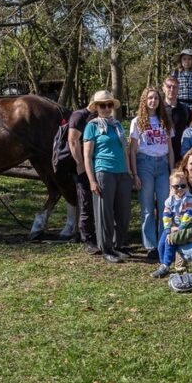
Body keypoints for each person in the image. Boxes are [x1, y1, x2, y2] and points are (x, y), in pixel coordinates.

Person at [82, 91, 132, 263]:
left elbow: (125, 151)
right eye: (102, 105)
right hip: (104, 171)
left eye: (109, 105)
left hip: (122, 172)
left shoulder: (117, 125)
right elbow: (87, 156)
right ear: (96, 107)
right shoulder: (92, 127)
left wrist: (129, 172)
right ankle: (106, 248)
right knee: (105, 213)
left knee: (123, 212)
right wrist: (92, 180)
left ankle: (118, 245)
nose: (106, 108)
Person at [129, 86, 175, 259]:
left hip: (163, 165)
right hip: (145, 164)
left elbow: (170, 149)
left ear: (159, 101)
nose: (153, 101)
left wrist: (172, 171)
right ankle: (150, 245)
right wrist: (135, 174)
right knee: (147, 207)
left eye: (156, 98)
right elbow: (132, 150)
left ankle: (164, 242)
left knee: (165, 206)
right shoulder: (137, 121)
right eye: (150, 98)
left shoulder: (165, 120)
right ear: (144, 100)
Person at [150, 172, 192, 279]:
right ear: (170, 187)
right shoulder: (170, 200)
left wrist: (179, 228)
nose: (179, 189)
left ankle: (166, 265)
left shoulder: (188, 199)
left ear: (186, 186)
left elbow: (189, 214)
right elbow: (166, 215)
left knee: (170, 241)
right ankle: (163, 265)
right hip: (173, 227)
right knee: (161, 245)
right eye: (176, 186)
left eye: (183, 186)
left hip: (186, 227)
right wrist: (167, 229)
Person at [65, 100, 97, 254]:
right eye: (101, 104)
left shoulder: (101, 117)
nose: (105, 107)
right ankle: (87, 238)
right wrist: (80, 165)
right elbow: (73, 141)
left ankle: (98, 234)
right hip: (83, 166)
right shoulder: (79, 116)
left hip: (98, 165)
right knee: (85, 202)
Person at [162, 76, 190, 159]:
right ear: (163, 88)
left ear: (178, 89)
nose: (171, 89)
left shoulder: (185, 109)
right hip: (161, 154)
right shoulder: (158, 109)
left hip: (181, 153)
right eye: (169, 86)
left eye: (174, 87)